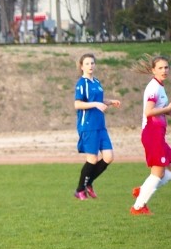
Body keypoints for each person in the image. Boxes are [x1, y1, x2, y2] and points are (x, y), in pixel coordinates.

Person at [73, 53, 121, 200]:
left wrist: (110, 102)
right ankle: (80, 190)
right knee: (92, 159)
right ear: (81, 66)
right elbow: (77, 104)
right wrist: (95, 104)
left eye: (92, 63)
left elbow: (98, 101)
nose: (90, 66)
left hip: (100, 126)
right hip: (88, 126)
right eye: (87, 64)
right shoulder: (82, 83)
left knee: (108, 157)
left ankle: (88, 183)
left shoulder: (97, 82)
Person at [131, 55, 171, 215]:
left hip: (158, 134)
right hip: (152, 133)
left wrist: (167, 111)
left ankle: (143, 190)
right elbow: (148, 112)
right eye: (160, 68)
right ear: (153, 70)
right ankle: (138, 207)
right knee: (158, 172)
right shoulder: (154, 87)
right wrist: (167, 109)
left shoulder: (160, 86)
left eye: (166, 67)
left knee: (167, 172)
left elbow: (160, 110)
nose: (164, 70)